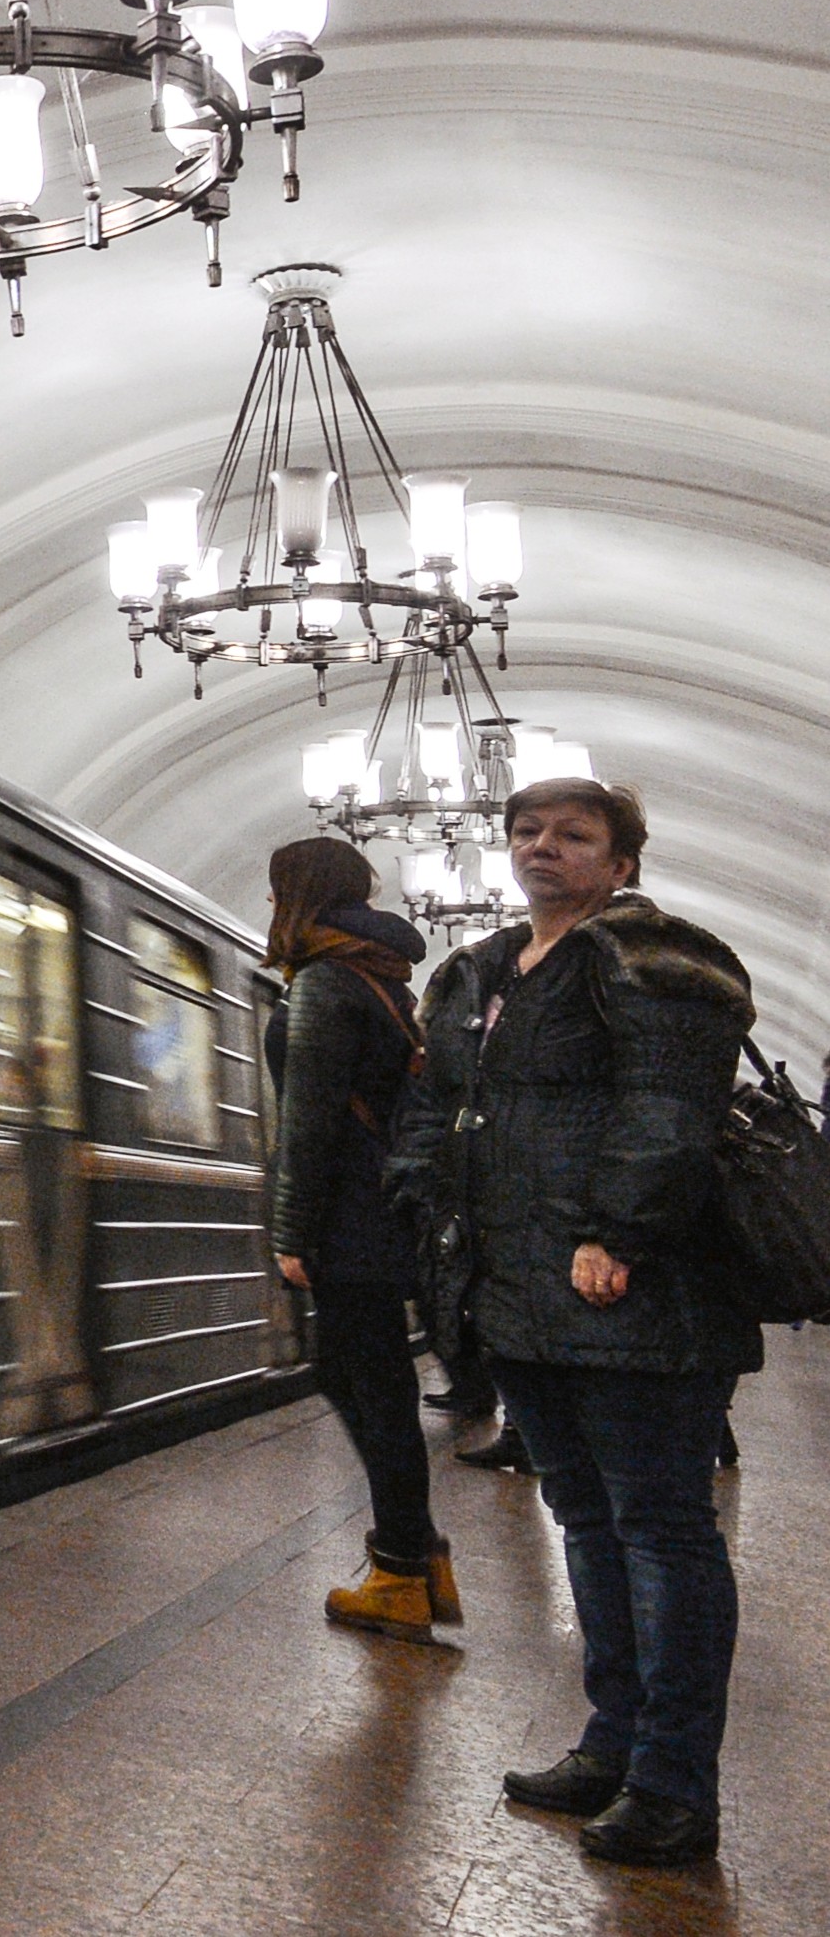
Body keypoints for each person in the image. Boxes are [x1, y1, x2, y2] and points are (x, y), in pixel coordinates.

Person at [390, 778, 758, 1867]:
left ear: (623, 861)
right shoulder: (480, 971)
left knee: (663, 1532)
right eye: (527, 832)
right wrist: (426, 1208)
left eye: (574, 835)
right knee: (588, 1524)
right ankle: (614, 1742)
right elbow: (434, 1108)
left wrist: (620, 1233)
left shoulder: (656, 961)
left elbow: (668, 1109)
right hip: (520, 1296)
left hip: (633, 1293)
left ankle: (677, 1784)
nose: (544, 847)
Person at [263, 839, 452, 1638]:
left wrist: (290, 1231)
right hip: (384, 1212)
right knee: (369, 1386)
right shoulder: (380, 977)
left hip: (346, 1219)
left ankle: (403, 1571)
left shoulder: (320, 983)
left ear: (294, 895)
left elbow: (307, 1122)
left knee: (364, 1389)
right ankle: (417, 1560)